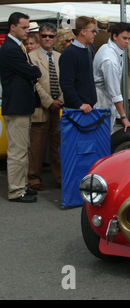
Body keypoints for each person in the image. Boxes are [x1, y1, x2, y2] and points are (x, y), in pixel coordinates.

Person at [0, 12, 42, 203]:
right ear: (13, 27)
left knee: (22, 149)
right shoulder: (10, 48)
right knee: (18, 151)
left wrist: (31, 71)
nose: (27, 31)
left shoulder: (15, 47)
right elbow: (31, 70)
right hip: (16, 106)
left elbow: (30, 71)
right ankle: (16, 191)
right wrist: (32, 70)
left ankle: (22, 186)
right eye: (24, 27)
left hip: (20, 105)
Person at [27, 22, 63, 192]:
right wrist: (49, 102)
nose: (47, 39)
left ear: (55, 38)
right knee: (36, 147)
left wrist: (60, 100)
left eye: (50, 36)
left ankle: (60, 178)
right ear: (39, 37)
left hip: (58, 108)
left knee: (58, 147)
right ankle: (33, 178)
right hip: (40, 108)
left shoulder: (59, 56)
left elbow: (64, 81)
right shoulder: (31, 57)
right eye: (44, 36)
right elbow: (34, 83)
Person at [94, 22, 130, 133]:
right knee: (102, 140)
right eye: (124, 38)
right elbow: (115, 93)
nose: (127, 42)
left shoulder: (107, 48)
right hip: (102, 103)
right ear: (114, 36)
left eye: (129, 38)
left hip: (104, 101)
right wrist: (124, 118)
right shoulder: (110, 60)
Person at [59, 16, 97, 113]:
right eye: (92, 31)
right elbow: (66, 83)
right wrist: (79, 103)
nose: (95, 34)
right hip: (76, 109)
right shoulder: (70, 53)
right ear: (83, 32)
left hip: (87, 107)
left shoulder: (85, 50)